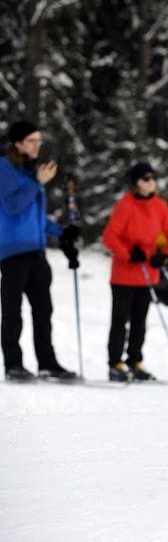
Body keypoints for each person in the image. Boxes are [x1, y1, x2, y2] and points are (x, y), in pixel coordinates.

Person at [0, 121, 79, 383]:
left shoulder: (31, 173)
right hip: (12, 252)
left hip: (36, 250)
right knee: (13, 311)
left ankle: (47, 363)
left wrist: (61, 233)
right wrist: (36, 182)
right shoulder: (5, 169)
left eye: (38, 140)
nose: (38, 145)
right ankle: (13, 364)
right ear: (18, 144)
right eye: (32, 140)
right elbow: (12, 206)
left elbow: (36, 216)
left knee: (43, 310)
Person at [101, 162, 168, 382]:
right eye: (146, 179)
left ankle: (134, 361)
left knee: (140, 321)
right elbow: (109, 236)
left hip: (147, 274)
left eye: (153, 178)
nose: (151, 183)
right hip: (124, 275)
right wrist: (127, 254)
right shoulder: (125, 206)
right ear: (135, 183)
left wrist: (165, 255)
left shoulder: (159, 206)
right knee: (120, 321)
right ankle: (114, 363)